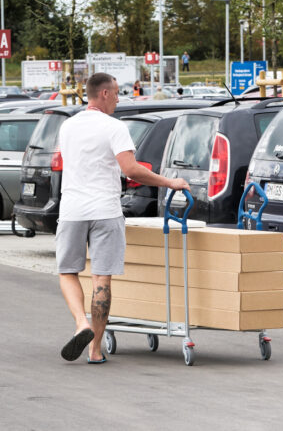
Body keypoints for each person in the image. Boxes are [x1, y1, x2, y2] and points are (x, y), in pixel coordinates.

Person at [57, 72, 190, 363]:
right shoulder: (115, 127)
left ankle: (81, 324)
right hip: (105, 209)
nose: (119, 98)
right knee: (101, 278)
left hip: (72, 210)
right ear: (103, 94)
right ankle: (95, 351)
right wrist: (170, 182)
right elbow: (131, 170)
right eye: (116, 92)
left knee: (68, 271)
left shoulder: (67, 126)